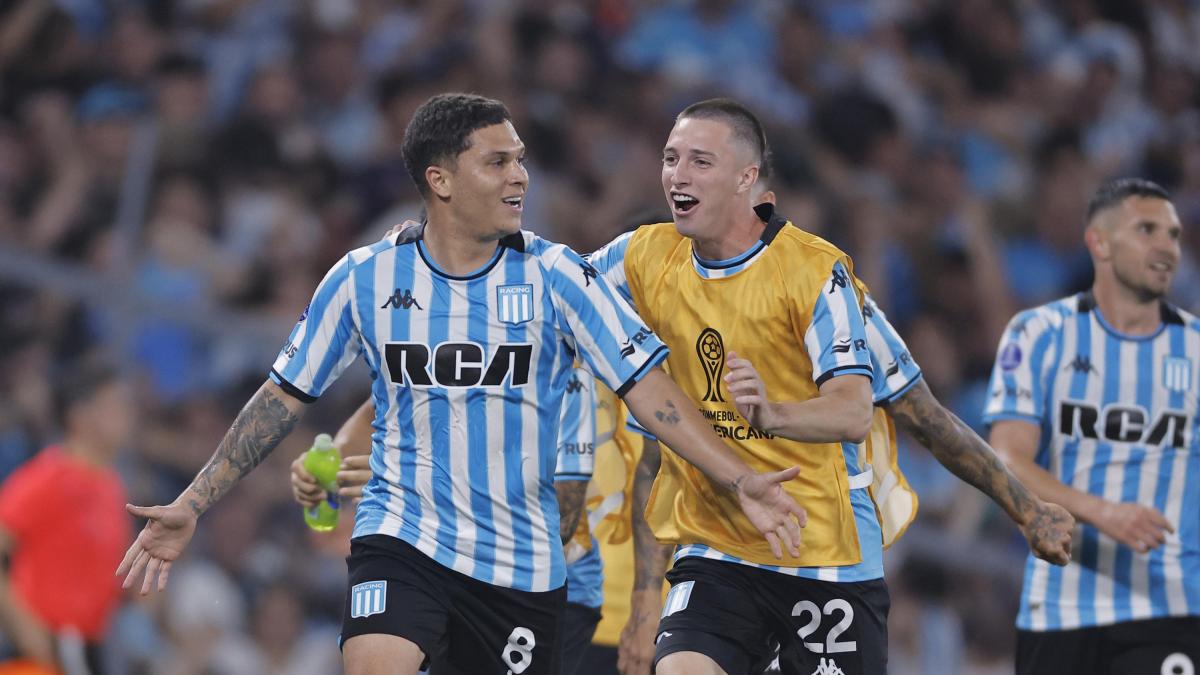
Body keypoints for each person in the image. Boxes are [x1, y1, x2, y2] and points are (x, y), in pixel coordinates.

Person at [115, 93, 806, 675]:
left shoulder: (558, 277)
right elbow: (281, 397)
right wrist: (194, 501)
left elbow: (653, 393)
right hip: (405, 535)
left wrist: (738, 476)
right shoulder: (364, 279)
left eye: (522, 160)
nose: (521, 177)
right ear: (441, 180)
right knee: (373, 658)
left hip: (524, 567)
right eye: (499, 161)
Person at [583, 98, 1074, 675]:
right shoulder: (644, 258)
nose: (678, 174)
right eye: (671, 158)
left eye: (699, 161)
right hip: (719, 550)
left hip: (824, 560)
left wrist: (1027, 510)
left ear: (748, 180)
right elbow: (557, 294)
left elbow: (905, 417)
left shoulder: (820, 278)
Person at [984, 178, 1200, 674]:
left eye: (1173, 234)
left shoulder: (1194, 349)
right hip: (1059, 607)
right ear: (1099, 242)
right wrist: (1103, 512)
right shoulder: (1038, 333)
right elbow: (1007, 459)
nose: (1166, 246)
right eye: (1147, 230)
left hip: (1167, 606)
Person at [290, 364, 607, 673]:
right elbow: (374, 417)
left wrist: (410, 479)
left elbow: (555, 510)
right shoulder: (438, 342)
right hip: (432, 564)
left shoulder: (554, 361)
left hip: (539, 584)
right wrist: (325, 466)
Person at [0, 357, 134, 675]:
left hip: (86, 650)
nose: (127, 415)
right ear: (79, 415)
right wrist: (23, 624)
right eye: (113, 405)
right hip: (38, 654)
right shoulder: (49, 477)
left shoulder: (112, 486)